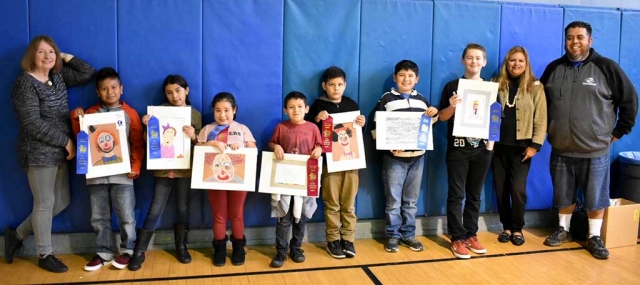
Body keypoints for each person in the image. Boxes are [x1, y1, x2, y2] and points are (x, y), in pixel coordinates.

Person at [540, 21, 638, 259]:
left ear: (590, 40)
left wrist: (618, 132)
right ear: (565, 41)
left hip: (595, 150)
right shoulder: (554, 69)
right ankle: (563, 229)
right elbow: (539, 105)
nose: (575, 42)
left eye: (580, 37)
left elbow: (630, 101)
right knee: (562, 194)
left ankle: (594, 236)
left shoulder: (607, 68)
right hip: (561, 148)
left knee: (596, 197)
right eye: (570, 37)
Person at [5, 35, 95, 273]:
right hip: (38, 151)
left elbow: (88, 72)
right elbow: (31, 122)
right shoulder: (24, 83)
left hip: (60, 151)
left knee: (61, 201)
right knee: (44, 203)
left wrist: (64, 57)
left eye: (51, 52)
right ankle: (45, 254)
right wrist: (66, 141)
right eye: (41, 52)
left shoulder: (58, 77)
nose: (47, 56)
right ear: (31, 56)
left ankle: (17, 233)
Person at [70, 67, 144, 271]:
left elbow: (138, 144)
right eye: (104, 89)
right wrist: (76, 118)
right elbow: (81, 139)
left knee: (126, 215)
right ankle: (103, 252)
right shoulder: (91, 113)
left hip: (123, 175)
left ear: (121, 89)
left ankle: (128, 250)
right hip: (97, 176)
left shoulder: (130, 114)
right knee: (98, 217)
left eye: (113, 87)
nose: (109, 92)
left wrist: (135, 166)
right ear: (97, 92)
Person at [128, 75, 202, 271]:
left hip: (185, 170)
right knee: (155, 209)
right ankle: (139, 251)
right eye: (169, 92)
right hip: (162, 169)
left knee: (183, 208)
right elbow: (148, 142)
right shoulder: (157, 113)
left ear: (187, 90)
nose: (174, 96)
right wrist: (147, 126)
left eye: (178, 90)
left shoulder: (195, 114)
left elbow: (200, 144)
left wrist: (193, 135)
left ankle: (182, 246)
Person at [375, 60, 438, 253]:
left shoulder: (422, 100)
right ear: (395, 78)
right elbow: (377, 127)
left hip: (417, 157)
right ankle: (393, 236)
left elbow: (429, 125)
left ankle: (409, 235)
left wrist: (434, 113)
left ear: (417, 79)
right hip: (394, 159)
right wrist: (388, 145)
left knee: (411, 201)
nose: (406, 79)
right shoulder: (386, 99)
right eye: (402, 75)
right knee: (393, 201)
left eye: (411, 76)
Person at [305, 66, 366, 259]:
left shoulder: (351, 104)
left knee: (349, 203)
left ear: (345, 85)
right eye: (331, 85)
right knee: (331, 203)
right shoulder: (317, 105)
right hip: (328, 163)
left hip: (350, 161)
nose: (336, 88)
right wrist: (316, 120)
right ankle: (333, 240)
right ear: (324, 86)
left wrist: (361, 125)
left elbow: (355, 135)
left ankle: (348, 239)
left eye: (339, 84)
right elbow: (308, 132)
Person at [439, 43, 492, 259]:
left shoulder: (490, 87)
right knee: (456, 195)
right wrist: (452, 106)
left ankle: (471, 234)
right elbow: (441, 117)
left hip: (481, 150)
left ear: (484, 62)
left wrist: (489, 148)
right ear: (463, 60)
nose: (474, 62)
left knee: (474, 195)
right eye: (470, 58)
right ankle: (457, 238)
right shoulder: (452, 86)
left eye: (478, 58)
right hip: (458, 150)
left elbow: (496, 120)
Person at [492, 46, 547, 246]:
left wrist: (535, 146)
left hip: (522, 149)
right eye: (512, 60)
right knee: (500, 190)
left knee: (517, 190)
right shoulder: (496, 84)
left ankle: (517, 228)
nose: (516, 64)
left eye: (520, 61)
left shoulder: (535, 86)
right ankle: (505, 226)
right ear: (507, 63)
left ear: (526, 64)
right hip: (497, 147)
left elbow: (541, 118)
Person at [198, 92, 256, 267]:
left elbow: (253, 150)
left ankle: (238, 248)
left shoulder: (243, 128)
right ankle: (220, 249)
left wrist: (241, 148)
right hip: (214, 179)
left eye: (226, 110)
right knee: (219, 216)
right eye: (217, 110)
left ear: (234, 110)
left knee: (237, 215)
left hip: (238, 179)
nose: (222, 115)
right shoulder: (208, 129)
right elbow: (198, 150)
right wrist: (212, 143)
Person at [269, 91, 322, 268]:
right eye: (291, 107)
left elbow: (321, 145)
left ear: (306, 109)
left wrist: (319, 149)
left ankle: (297, 248)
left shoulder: (313, 128)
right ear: (285, 110)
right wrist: (276, 146)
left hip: (306, 179)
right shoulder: (281, 127)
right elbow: (271, 142)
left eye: (299, 106)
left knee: (302, 216)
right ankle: (281, 251)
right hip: (285, 178)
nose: (296, 110)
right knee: (284, 216)